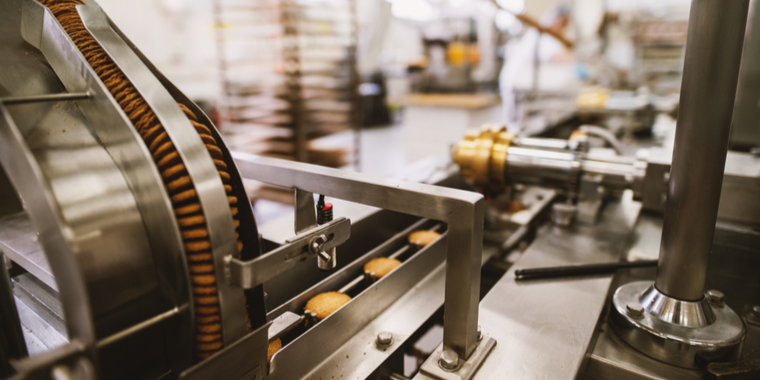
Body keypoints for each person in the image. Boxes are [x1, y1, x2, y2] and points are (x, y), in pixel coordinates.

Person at [499, 5, 573, 131]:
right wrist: (578, 67)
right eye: (563, 23)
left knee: (521, 123)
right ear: (557, 19)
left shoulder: (544, 34)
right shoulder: (543, 34)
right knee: (514, 124)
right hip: (515, 83)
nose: (563, 28)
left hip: (520, 84)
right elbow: (560, 57)